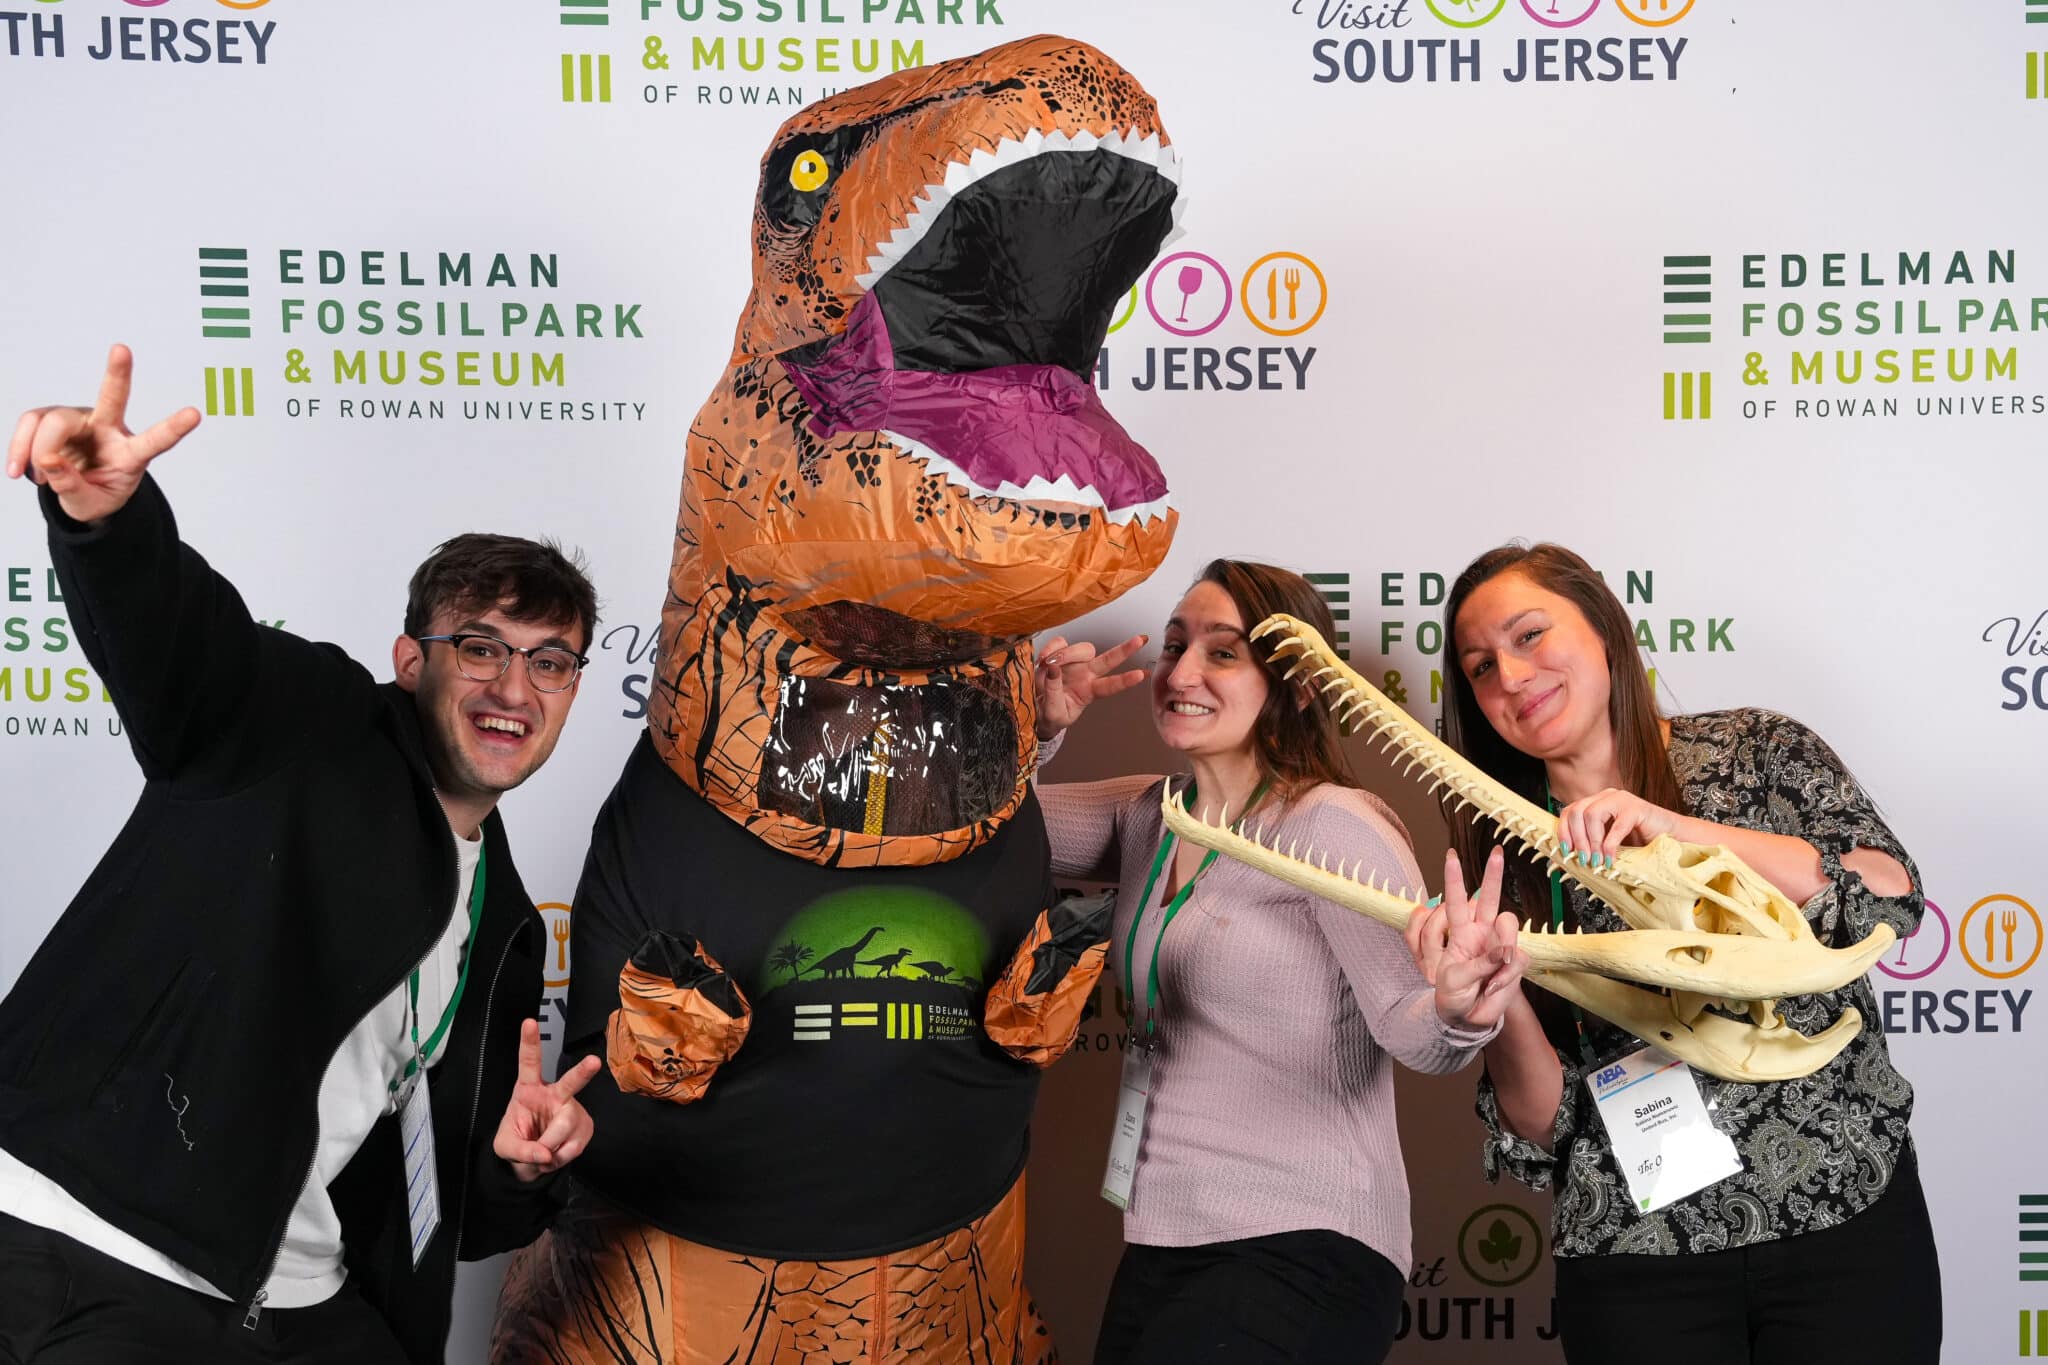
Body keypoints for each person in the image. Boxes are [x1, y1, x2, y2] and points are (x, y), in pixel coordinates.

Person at [0, 346, 605, 1364]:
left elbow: (451, 1210)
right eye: (481, 647)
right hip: (100, 1240)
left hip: (294, 1294)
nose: (514, 687)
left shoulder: (503, 922)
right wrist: (108, 520)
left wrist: (519, 1168)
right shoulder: (305, 724)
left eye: (549, 661)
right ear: (410, 661)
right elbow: (183, 647)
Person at [1408, 541, 1941, 1365]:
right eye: (1480, 666)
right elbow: (1544, 1122)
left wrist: (1680, 831)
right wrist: (1499, 996)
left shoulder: (1753, 748)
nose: (1509, 676)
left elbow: (1887, 894)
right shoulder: (1501, 859)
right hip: (1638, 1258)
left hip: (1842, 1209)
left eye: (1529, 635)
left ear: (1604, 627)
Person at [1033, 558, 1524, 1365]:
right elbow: (980, 829)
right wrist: (1040, 729)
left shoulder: (1332, 825)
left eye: (1223, 652)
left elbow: (1413, 1030)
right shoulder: (1152, 815)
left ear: (1297, 686)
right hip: (1162, 1238)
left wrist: (1457, 1009)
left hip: (1304, 1245)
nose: (1181, 673)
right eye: (1175, 645)